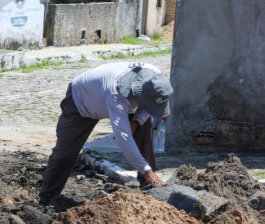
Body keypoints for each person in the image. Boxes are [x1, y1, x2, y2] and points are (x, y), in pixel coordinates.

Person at [38, 62, 172, 206]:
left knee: (144, 126)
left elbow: (149, 107)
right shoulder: (117, 94)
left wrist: (136, 122)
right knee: (64, 153)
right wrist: (147, 170)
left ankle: (149, 188)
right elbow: (123, 139)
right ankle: (47, 201)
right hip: (81, 102)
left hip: (116, 97)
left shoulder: (156, 80)